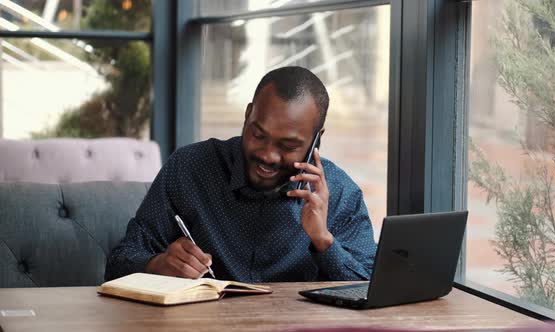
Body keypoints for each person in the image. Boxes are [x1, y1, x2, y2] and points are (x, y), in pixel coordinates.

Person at [105, 66, 376, 282]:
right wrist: (158, 264)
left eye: (288, 145)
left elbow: (371, 288)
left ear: (316, 140)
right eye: (259, 135)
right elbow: (120, 262)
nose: (268, 155)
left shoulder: (340, 193)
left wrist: (324, 241)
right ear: (247, 115)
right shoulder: (189, 168)